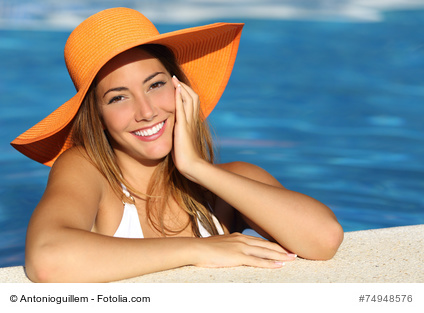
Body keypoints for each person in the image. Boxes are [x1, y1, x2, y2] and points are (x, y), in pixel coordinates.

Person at [11, 7, 343, 283]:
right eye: (118, 98)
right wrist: (199, 249)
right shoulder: (87, 169)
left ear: (182, 91)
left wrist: (196, 168)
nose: (146, 111)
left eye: (155, 85)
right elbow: (47, 259)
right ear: (97, 117)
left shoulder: (227, 184)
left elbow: (324, 239)